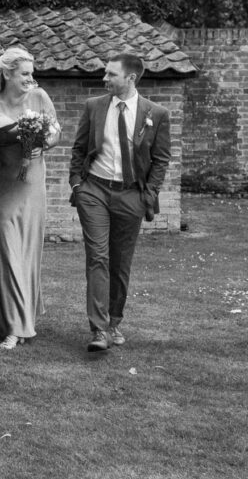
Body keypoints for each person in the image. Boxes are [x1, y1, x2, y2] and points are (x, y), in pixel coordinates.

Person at [70, 52, 171, 352]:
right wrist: (78, 184)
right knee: (98, 257)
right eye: (106, 73)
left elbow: (161, 159)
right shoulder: (94, 107)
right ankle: (99, 330)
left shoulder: (156, 113)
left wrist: (147, 196)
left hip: (131, 195)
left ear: (131, 78)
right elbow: (79, 149)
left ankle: (114, 321)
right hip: (94, 191)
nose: (105, 78)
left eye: (111, 74)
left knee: (120, 262)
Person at [0, 47, 60, 350]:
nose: (31, 78)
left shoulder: (39, 97)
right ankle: (13, 324)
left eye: (32, 72)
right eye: (25, 73)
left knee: (26, 253)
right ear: (8, 73)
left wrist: (44, 143)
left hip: (31, 185)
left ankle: (18, 322)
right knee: (5, 251)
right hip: (1, 186)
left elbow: (55, 132)